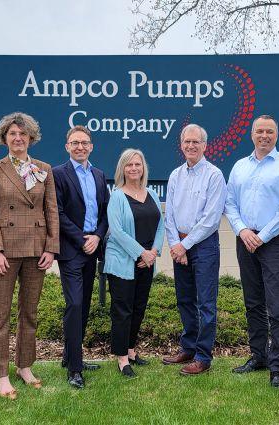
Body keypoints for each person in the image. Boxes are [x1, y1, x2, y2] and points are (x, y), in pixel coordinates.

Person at [0, 112, 59, 399]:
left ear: (31, 138)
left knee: (30, 312)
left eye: (23, 134)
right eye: (13, 133)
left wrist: (51, 247)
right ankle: (0, 373)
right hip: (5, 252)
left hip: (36, 251)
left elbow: (51, 210)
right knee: (0, 315)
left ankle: (24, 366)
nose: (18, 138)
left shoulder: (44, 169)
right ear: (4, 138)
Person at [225, 115, 279, 388]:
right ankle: (259, 356)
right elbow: (230, 203)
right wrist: (243, 231)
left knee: (277, 308)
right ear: (252, 134)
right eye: (260, 131)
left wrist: (262, 236)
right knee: (253, 303)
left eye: (269, 131)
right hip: (246, 240)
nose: (264, 136)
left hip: (275, 242)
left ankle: (277, 368)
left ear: (276, 135)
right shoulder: (239, 166)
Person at [162, 123, 226, 375]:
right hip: (180, 246)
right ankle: (188, 348)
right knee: (185, 300)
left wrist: (184, 245)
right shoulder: (175, 175)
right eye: (187, 142)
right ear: (181, 145)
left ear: (204, 145)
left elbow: (211, 219)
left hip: (204, 246)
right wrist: (176, 245)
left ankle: (203, 356)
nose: (191, 146)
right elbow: (169, 216)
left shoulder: (214, 175)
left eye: (195, 142)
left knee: (206, 304)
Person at [52, 125, 109, 389]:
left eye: (84, 143)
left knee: (84, 306)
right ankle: (75, 369)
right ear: (67, 147)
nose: (80, 147)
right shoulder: (58, 174)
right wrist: (82, 239)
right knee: (74, 305)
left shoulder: (98, 174)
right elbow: (58, 213)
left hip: (92, 248)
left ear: (91, 146)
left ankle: (70, 356)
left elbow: (105, 213)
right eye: (75, 143)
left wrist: (97, 236)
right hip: (72, 250)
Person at [104, 149, 164, 377]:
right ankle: (121, 358)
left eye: (137, 164)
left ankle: (130, 350)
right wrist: (141, 253)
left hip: (146, 262)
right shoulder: (117, 196)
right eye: (129, 165)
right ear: (122, 169)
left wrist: (153, 252)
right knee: (123, 311)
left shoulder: (152, 194)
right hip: (123, 262)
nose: (134, 168)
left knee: (138, 308)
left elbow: (161, 225)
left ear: (143, 168)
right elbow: (117, 231)